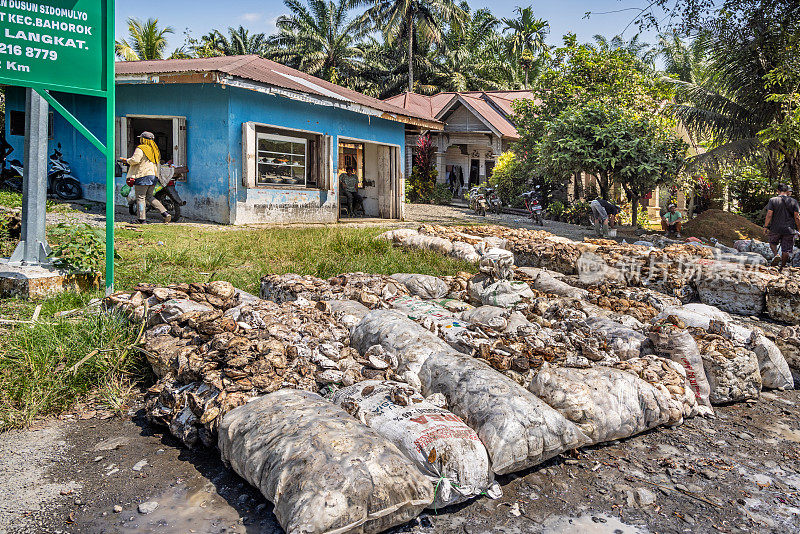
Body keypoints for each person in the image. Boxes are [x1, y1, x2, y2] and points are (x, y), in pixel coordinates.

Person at [120, 131, 170, 224]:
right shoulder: (155, 150)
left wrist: (126, 160)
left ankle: (141, 219)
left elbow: (135, 160)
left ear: (143, 139)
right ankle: (165, 213)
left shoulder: (141, 148)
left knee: (140, 197)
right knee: (149, 196)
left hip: (142, 176)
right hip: (153, 176)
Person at [764, 183, 800, 270]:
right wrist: (799, 229)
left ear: (778, 191)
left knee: (772, 243)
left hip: (775, 228)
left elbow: (769, 214)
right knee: (786, 249)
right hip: (789, 229)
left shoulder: (773, 200)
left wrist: (765, 226)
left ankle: (776, 255)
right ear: (787, 191)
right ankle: (782, 267)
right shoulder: (794, 201)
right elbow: (797, 217)